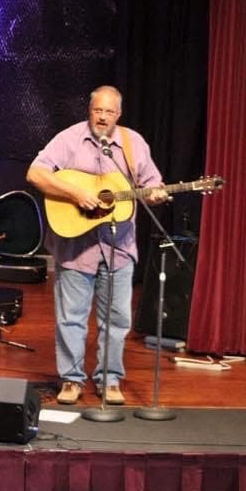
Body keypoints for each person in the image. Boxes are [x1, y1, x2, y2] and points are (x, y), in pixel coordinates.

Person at [27, 85, 168, 405]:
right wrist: (75, 194)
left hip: (119, 247)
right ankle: (71, 380)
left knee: (117, 319)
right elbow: (36, 173)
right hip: (76, 246)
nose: (102, 117)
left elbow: (151, 183)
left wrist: (156, 193)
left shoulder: (134, 145)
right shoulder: (69, 139)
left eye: (109, 112)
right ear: (89, 111)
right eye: (97, 111)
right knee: (71, 317)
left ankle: (110, 379)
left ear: (119, 115)